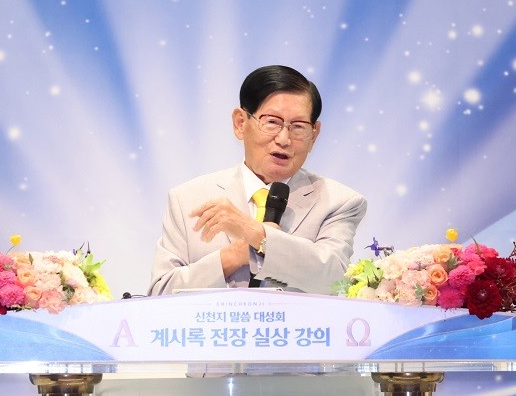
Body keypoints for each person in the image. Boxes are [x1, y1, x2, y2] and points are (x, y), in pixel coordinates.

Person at [148, 65, 367, 295]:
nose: (284, 139)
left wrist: (257, 235)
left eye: (298, 127)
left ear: (314, 135)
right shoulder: (188, 199)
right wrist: (235, 255)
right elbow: (161, 293)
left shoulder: (339, 202)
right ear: (240, 123)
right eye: (272, 122)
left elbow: (334, 280)